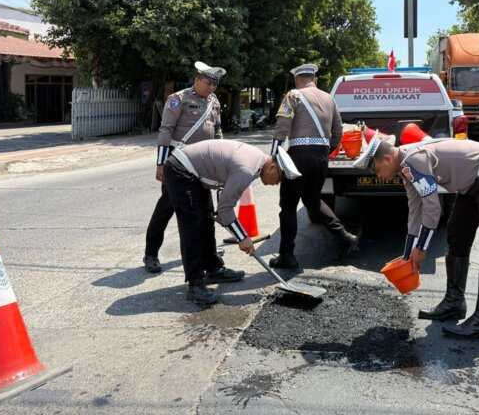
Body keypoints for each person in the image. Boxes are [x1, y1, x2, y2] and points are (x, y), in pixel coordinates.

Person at [353, 135, 479, 340]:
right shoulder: (405, 167)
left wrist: (421, 250)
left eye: (376, 170)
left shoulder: (412, 161)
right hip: (472, 184)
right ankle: (454, 303)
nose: (378, 176)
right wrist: (407, 256)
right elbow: (415, 210)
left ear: (386, 159)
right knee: (457, 236)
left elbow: (432, 208)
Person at [164, 139, 299, 305]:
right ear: (272, 167)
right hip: (181, 170)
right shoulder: (247, 169)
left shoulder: (257, 161)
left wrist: (232, 225)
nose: (275, 184)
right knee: (193, 227)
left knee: (206, 222)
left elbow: (223, 209)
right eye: (278, 179)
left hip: (195, 173)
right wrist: (242, 238)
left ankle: (213, 268)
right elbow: (225, 210)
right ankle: (195, 285)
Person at [270, 63, 359, 270]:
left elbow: (281, 129)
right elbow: (338, 132)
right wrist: (324, 153)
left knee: (289, 206)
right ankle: (345, 237)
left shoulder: (292, 95)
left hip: (298, 157)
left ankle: (286, 256)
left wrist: (273, 157)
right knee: (312, 199)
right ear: (314, 79)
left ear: (296, 80)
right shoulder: (329, 99)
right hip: (320, 158)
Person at [144, 61, 226, 274]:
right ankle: (151, 254)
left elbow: (217, 132)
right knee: (166, 208)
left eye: (215, 85)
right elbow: (166, 131)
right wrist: (161, 163)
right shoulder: (178, 99)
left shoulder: (214, 102)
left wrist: (219, 160)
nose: (212, 88)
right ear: (197, 79)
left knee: (206, 211)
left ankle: (210, 258)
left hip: (203, 165)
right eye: (208, 83)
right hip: (179, 164)